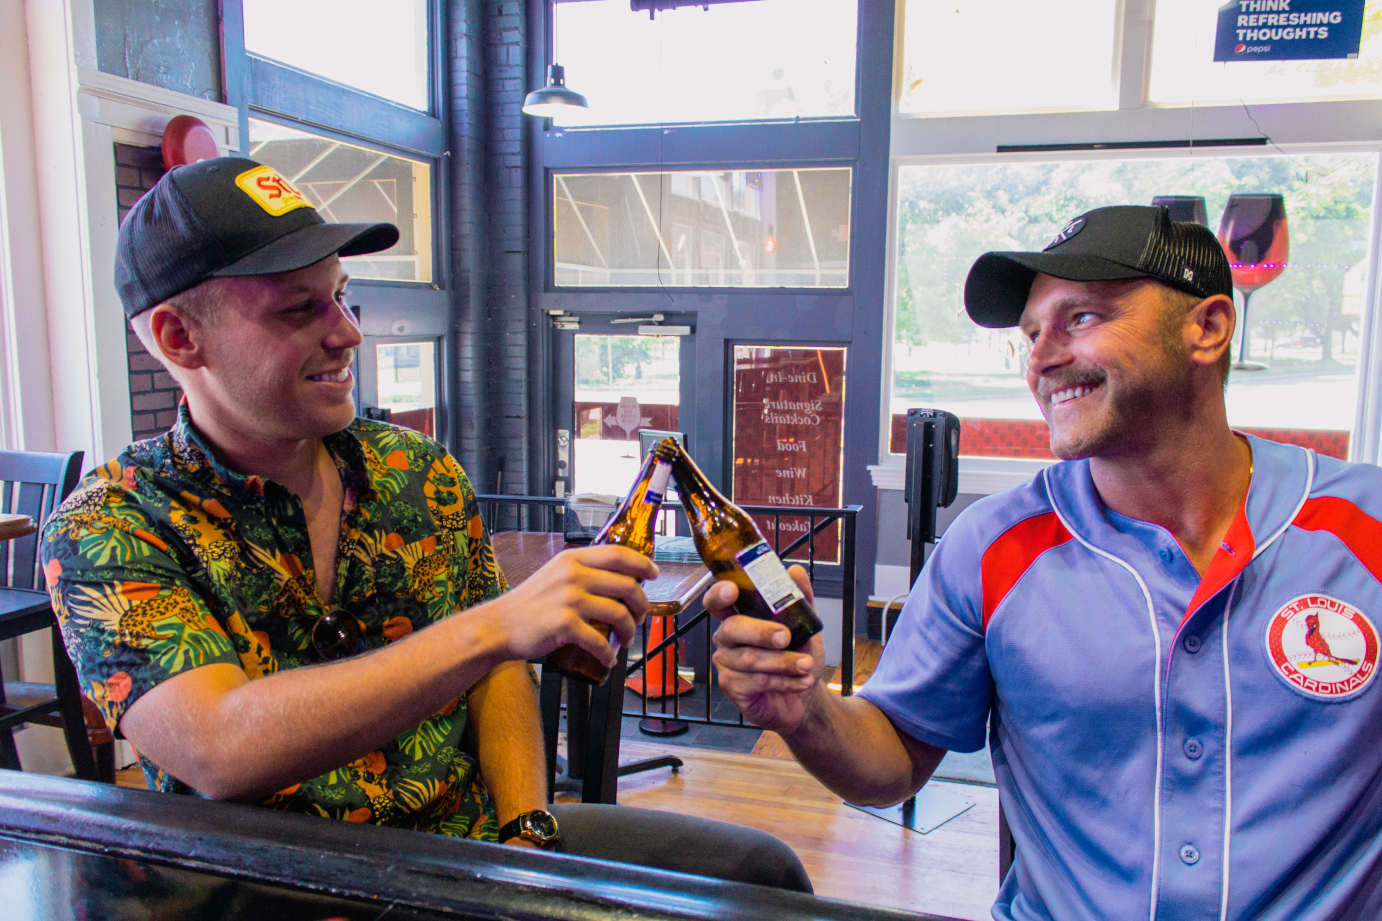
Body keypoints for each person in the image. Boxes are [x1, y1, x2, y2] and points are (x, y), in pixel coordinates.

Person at [41, 156, 810, 892]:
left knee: (760, 874)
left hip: (470, 850)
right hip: (271, 884)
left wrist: (526, 840)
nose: (346, 333)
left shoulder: (418, 473)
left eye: (344, 298)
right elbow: (217, 746)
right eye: (301, 309)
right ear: (179, 337)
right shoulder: (110, 524)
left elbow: (498, 675)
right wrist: (497, 625)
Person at [709, 205, 1382, 919]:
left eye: (1081, 318)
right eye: (1031, 334)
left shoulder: (1361, 526)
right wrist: (805, 710)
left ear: (1207, 327)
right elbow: (894, 757)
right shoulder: (994, 545)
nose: (1041, 358)